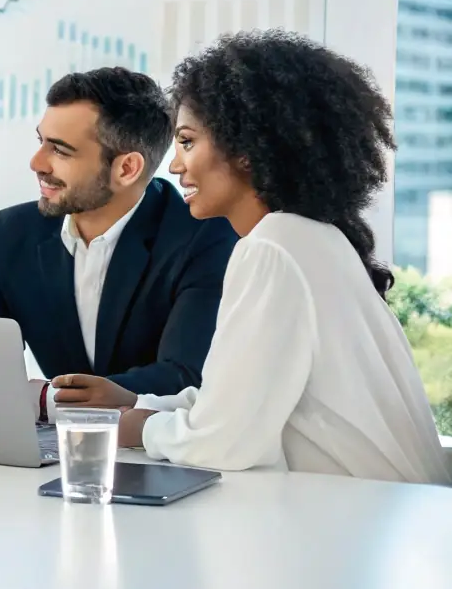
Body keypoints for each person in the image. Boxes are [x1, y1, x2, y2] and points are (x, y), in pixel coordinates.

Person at [102, 32, 449, 483]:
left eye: (187, 142)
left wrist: (140, 427)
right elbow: (238, 403)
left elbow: (223, 443)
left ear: (246, 151)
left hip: (352, 523)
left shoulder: (272, 248)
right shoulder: (313, 238)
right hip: (388, 520)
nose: (174, 166)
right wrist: (140, 405)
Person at [0, 67, 237, 417]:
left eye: (60, 151)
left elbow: (184, 377)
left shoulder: (205, 236)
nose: (37, 163)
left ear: (126, 169)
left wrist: (43, 400)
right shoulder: (13, 232)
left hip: (158, 452)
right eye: (41, 141)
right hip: (53, 448)